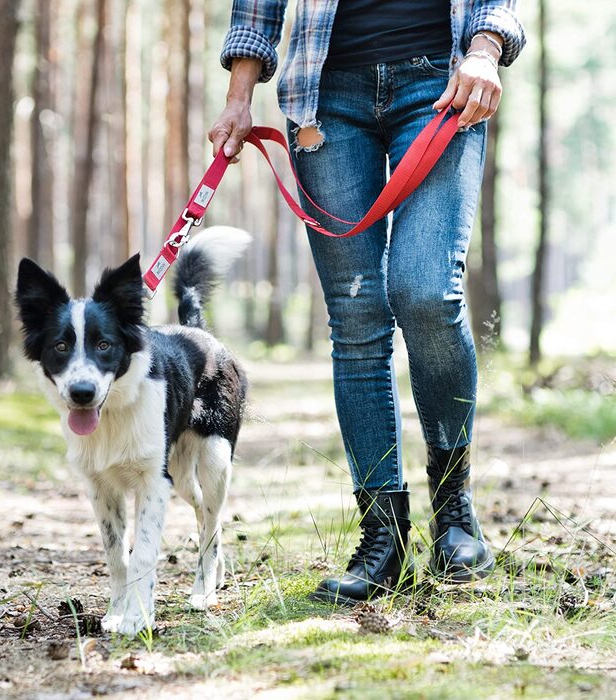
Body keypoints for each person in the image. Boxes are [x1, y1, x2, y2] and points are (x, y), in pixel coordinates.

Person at [209, 1, 526, 605]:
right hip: (325, 96)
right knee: (356, 320)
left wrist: (486, 50)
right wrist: (239, 93)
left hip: (444, 80)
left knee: (427, 291)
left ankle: (454, 512)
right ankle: (384, 538)